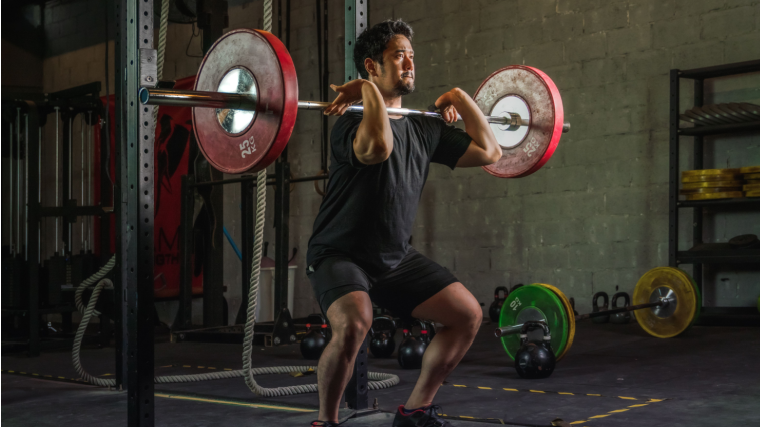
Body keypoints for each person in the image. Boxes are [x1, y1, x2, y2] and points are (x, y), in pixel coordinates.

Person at [306, 19, 501, 427]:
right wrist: (365, 93)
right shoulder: (349, 123)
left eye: (412, 55)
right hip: (339, 253)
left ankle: (414, 410)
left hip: (393, 258)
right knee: (355, 323)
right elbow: (377, 148)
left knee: (466, 315)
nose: (410, 63)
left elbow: (489, 152)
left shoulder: (424, 126)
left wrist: (461, 99)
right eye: (398, 55)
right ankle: (326, 421)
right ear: (371, 66)